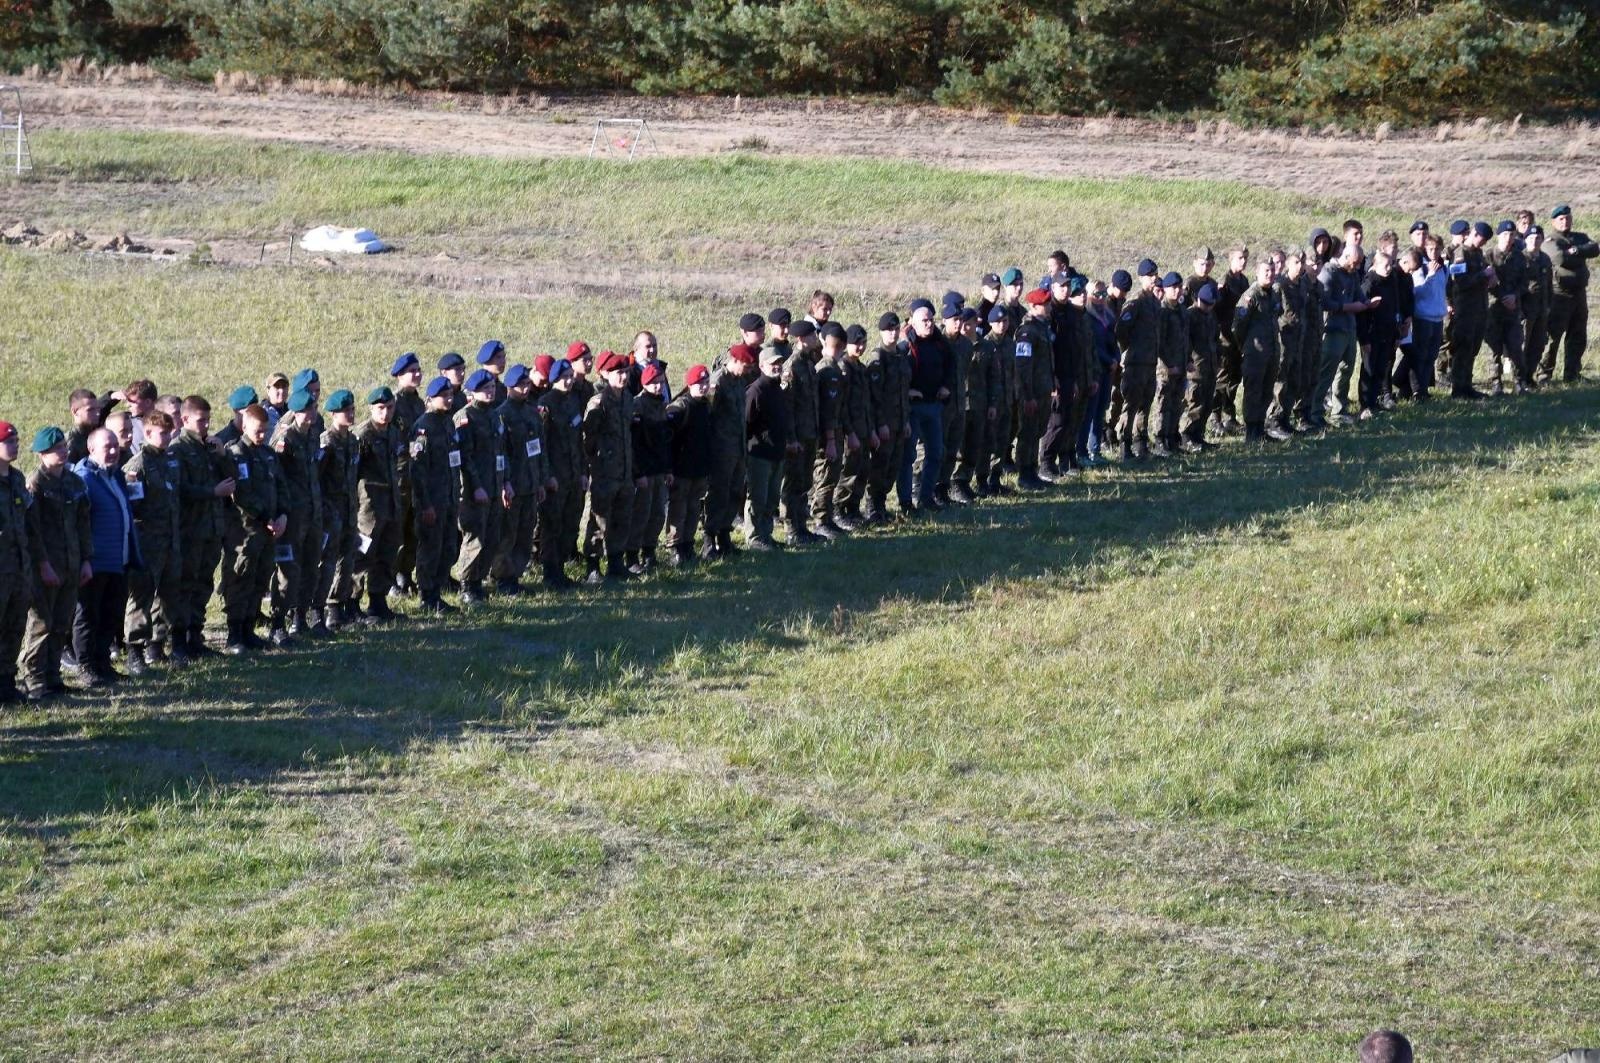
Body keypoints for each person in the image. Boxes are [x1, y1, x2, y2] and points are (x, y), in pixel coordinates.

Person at [20, 426, 92, 701]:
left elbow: (83, 524)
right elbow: (32, 530)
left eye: (62, 446)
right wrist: (42, 564)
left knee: (62, 622)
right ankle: (35, 679)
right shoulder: (35, 484)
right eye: (54, 449)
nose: (61, 452)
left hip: (72, 562)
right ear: (41, 454)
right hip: (47, 565)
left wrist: (86, 560)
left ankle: (53, 677)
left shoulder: (74, 483)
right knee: (41, 624)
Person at [73, 427, 142, 683]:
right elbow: (80, 523)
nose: (113, 451)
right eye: (107, 447)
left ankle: (103, 664)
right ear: (91, 450)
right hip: (95, 562)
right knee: (89, 616)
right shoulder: (84, 478)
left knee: (111, 614)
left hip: (118, 559)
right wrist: (85, 559)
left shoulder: (116, 476)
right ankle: (86, 667)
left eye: (115, 446)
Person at [169, 396, 233, 657]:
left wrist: (222, 455)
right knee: (185, 586)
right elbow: (181, 489)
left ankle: (195, 636)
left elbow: (232, 478)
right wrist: (212, 492)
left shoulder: (208, 447)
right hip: (191, 530)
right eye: (200, 420)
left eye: (208, 420)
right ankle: (178, 641)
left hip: (211, 529)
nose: (206, 425)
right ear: (185, 420)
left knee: (203, 584)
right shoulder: (178, 449)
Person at [221, 405, 286, 654]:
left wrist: (282, 515)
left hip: (268, 531)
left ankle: (249, 629)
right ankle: (234, 634)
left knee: (260, 578)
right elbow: (240, 494)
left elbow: (281, 486)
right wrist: (266, 516)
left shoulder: (268, 454)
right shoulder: (236, 453)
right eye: (258, 431)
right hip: (244, 531)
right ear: (245, 426)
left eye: (265, 431)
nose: (262, 436)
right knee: (240, 579)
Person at [121, 410, 182, 673]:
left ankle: (157, 645)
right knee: (141, 598)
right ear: (146, 433)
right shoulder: (137, 466)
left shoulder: (169, 461)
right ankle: (134, 649)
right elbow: (133, 509)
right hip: (147, 543)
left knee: (168, 596)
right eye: (162, 433)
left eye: (170, 432)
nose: (168, 437)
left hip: (171, 541)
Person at [267, 388, 322, 644]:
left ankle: (300, 617)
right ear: (296, 413)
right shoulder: (284, 439)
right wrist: (281, 512)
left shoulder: (312, 436)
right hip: (291, 515)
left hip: (312, 512)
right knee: (288, 571)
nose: (311, 415)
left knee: (311, 566)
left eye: (313, 409)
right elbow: (276, 478)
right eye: (307, 411)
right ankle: (278, 622)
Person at [491, 364, 550, 595]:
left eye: (527, 384)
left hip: (530, 483)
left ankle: (515, 574)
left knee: (525, 533)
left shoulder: (531, 413)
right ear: (509, 387)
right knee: (508, 534)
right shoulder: (502, 415)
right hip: (513, 485)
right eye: (519, 385)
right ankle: (503, 578)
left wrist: (541, 481)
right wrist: (504, 483)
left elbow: (540, 450)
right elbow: (500, 453)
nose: (524, 389)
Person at [455, 368, 512, 605]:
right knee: (474, 538)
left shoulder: (494, 416)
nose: (489, 392)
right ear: (473, 392)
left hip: (494, 486)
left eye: (491, 388)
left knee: (491, 537)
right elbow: (465, 458)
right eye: (484, 389)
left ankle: (478, 581)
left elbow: (502, 452)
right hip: (474, 490)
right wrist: (475, 487)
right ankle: (467, 584)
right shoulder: (465, 417)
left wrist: (506, 482)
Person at [582, 350, 638, 583]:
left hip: (624, 469)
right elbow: (588, 439)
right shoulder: (599, 401)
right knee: (600, 519)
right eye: (618, 373)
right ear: (606, 374)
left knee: (622, 517)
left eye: (625, 372)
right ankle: (593, 566)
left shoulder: (627, 398)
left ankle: (616, 561)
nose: (623, 377)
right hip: (604, 470)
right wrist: (594, 464)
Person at [410, 377, 463, 614]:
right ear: (431, 398)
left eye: (451, 395)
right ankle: (427, 595)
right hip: (432, 500)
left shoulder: (448, 423)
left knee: (448, 546)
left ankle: (438, 592)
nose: (450, 399)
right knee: (430, 548)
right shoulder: (423, 428)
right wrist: (425, 505)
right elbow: (417, 471)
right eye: (445, 396)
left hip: (449, 497)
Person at [354, 386, 405, 622]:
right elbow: (352, 474)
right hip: (369, 509)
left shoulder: (393, 433)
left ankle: (378, 601)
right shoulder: (363, 436)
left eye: (389, 408)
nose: (385, 413)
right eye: (380, 408)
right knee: (361, 556)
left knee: (387, 554)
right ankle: (350, 604)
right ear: (372, 409)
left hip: (391, 505)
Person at [900, 298, 956, 511]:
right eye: (924, 320)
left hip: (934, 405)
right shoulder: (905, 346)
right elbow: (897, 376)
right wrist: (907, 392)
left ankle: (926, 497)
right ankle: (906, 502)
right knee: (909, 456)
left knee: (935, 452)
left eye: (931, 320)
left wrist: (946, 386)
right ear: (913, 322)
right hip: (913, 408)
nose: (929, 324)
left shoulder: (940, 343)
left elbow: (951, 366)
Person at [314, 389, 362, 631]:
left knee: (348, 560)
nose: (351, 414)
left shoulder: (352, 441)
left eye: (352, 409)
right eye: (346, 411)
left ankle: (339, 606)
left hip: (349, 511)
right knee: (328, 562)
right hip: (331, 512)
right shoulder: (327, 442)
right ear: (333, 414)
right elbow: (317, 480)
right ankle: (324, 609)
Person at [1311, 242, 1374, 427]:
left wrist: (1368, 303)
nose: (1356, 267)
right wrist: (1347, 307)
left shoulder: (1352, 274)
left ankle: (1339, 411)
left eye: (1358, 263)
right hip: (1333, 330)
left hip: (1349, 329)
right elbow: (1324, 302)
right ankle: (1315, 413)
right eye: (1354, 263)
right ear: (1345, 257)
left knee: (1346, 370)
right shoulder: (1329, 273)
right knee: (1327, 373)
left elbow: (1358, 295)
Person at [704, 338, 755, 558]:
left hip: (737, 447)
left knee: (734, 492)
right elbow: (708, 416)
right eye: (746, 365)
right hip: (720, 449)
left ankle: (724, 536)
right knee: (718, 494)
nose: (748, 370)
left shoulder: (737, 381)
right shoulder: (718, 382)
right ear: (734, 360)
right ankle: (709, 539)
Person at [536, 359, 583, 588]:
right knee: (552, 525)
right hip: (555, 476)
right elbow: (542, 445)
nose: (569, 380)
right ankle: (550, 572)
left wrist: (582, 472)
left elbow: (578, 441)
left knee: (569, 523)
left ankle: (561, 569)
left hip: (573, 474)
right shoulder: (546, 404)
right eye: (564, 376)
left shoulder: (573, 401)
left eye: (571, 376)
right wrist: (547, 476)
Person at [743, 346, 793, 551]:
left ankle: (766, 534)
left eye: (779, 363)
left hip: (777, 453)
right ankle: (754, 538)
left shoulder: (778, 389)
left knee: (771, 498)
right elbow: (745, 424)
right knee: (757, 498)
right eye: (773, 363)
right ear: (762, 366)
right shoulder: (755, 391)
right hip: (759, 455)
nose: (777, 367)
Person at [1542, 204, 1598, 383]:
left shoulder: (1579, 237)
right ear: (1553, 222)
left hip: (1579, 294)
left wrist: (1577, 251)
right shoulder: (1550, 240)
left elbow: (1595, 248)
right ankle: (1544, 374)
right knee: (1553, 336)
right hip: (1560, 295)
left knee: (1578, 334)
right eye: (1561, 219)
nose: (1565, 221)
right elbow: (1559, 258)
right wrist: (1579, 255)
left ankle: (1572, 373)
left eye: (1568, 218)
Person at [1234, 256, 1288, 442]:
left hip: (1271, 351)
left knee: (1266, 390)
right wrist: (1247, 347)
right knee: (1253, 391)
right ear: (1257, 272)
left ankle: (1260, 427)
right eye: (1266, 271)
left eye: (1272, 271)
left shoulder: (1273, 293)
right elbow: (1238, 326)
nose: (1270, 274)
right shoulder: (1251, 296)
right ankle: (1251, 431)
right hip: (1255, 353)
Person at [0, 422, 35, 703]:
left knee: (14, 627)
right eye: (8, 442)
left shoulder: (16, 478)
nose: (15, 445)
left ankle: (6, 683)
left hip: (19, 568)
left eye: (16, 441)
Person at [665, 364, 712, 566]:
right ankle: (674, 548)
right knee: (678, 508)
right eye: (699, 383)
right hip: (681, 469)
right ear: (690, 384)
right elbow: (668, 439)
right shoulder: (680, 407)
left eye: (706, 382)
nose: (703, 387)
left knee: (694, 508)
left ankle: (688, 544)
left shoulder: (706, 405)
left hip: (699, 468)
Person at [864, 313, 910, 521]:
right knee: (880, 466)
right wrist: (880, 424)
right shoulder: (877, 358)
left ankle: (881, 504)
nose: (892, 333)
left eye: (895, 329)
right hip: (884, 424)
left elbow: (902, 392)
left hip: (899, 421)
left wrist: (906, 420)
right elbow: (874, 397)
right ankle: (873, 506)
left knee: (893, 466)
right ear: (881, 332)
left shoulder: (900, 357)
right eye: (888, 330)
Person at [1115, 259, 1162, 460]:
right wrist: (1130, 350)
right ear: (1141, 277)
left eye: (1155, 275)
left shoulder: (1153, 302)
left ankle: (1140, 443)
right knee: (1131, 405)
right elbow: (1121, 331)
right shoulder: (1135, 302)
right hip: (1135, 363)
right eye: (1150, 276)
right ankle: (1124, 445)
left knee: (1145, 404)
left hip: (1150, 362)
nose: (1154, 279)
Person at [627, 362, 673, 570]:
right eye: (653, 383)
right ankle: (632, 556)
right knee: (640, 515)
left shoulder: (661, 404)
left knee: (657, 514)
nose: (658, 386)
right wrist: (638, 472)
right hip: (644, 470)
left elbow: (665, 441)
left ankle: (649, 551)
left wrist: (668, 469)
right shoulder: (637, 406)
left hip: (659, 469)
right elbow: (634, 444)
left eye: (661, 382)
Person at [780, 319, 822, 543]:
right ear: (801, 339)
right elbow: (788, 408)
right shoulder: (792, 366)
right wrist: (791, 438)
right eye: (812, 336)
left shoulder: (808, 363)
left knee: (805, 482)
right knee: (793, 482)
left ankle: (801, 527)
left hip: (809, 433)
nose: (816, 339)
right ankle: (791, 530)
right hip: (797, 436)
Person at [389, 351, 426, 596]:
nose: (417, 374)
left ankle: (405, 574)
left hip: (418, 476)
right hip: (399, 476)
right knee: (396, 530)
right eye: (411, 371)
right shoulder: (393, 404)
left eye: (418, 370)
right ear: (400, 376)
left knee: (414, 529)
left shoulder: (419, 403)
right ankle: (389, 578)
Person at [810, 322, 851, 536]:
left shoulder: (835, 368)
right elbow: (827, 410)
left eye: (841, 346)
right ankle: (820, 521)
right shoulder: (826, 370)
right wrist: (831, 441)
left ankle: (827, 517)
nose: (838, 350)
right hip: (827, 436)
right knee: (825, 478)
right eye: (834, 346)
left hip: (835, 431)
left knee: (833, 476)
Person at [1445, 220, 1493, 399]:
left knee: (1473, 348)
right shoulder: (1460, 254)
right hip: (1465, 309)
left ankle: (1467, 385)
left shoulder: (1478, 253)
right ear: (1474, 234)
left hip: (1479, 308)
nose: (1484, 243)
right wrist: (1483, 275)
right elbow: (1460, 282)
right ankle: (1458, 388)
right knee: (1463, 347)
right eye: (1482, 239)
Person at [1013, 287, 1056, 485]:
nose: (1048, 307)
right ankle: (1024, 473)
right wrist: (1027, 396)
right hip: (1032, 392)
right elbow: (1023, 367)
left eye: (1048, 303)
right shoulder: (1027, 332)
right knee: (1027, 433)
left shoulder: (1042, 328)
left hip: (1043, 389)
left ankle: (1032, 471)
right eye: (1044, 304)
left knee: (1037, 431)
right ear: (1032, 306)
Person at [834, 323, 874, 522]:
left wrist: (872, 430)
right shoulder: (843, 368)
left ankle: (853, 509)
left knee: (862, 470)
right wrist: (850, 433)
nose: (860, 347)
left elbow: (867, 404)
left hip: (864, 428)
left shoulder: (861, 368)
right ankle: (839, 511)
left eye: (863, 342)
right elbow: (843, 405)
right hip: (850, 431)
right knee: (847, 472)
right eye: (855, 343)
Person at [1484, 220, 1530, 394]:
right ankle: (1496, 383)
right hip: (1493, 308)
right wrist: (1501, 294)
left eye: (1511, 235)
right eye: (1505, 235)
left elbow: (1525, 282)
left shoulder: (1519, 257)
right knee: (1494, 349)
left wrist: (1515, 296)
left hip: (1512, 309)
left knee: (1515, 346)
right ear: (1498, 236)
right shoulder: (1489, 256)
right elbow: (1485, 281)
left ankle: (1520, 381)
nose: (1508, 238)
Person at [1211, 244, 1250, 435]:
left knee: (1235, 379)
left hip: (1238, 339)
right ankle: (1215, 418)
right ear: (1231, 260)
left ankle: (1229, 417)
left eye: (1245, 258)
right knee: (1222, 379)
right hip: (1224, 338)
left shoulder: (1244, 281)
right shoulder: (1224, 282)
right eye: (1239, 258)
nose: (1243, 262)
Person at [1181, 283, 1220, 450]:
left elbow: (1215, 339)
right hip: (1194, 368)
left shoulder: (1210, 316)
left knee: (1206, 404)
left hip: (1209, 366)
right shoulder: (1189, 316)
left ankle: (1199, 435)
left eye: (1211, 304)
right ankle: (1186, 436)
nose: (1209, 307)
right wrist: (1187, 361)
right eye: (1206, 303)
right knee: (1193, 403)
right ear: (1198, 300)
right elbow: (1184, 341)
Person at [1153, 271, 1188, 457]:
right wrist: (1167, 365)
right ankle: (1160, 440)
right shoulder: (1163, 311)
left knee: (1177, 403)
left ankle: (1172, 438)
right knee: (1163, 404)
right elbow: (1160, 342)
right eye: (1173, 287)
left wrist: (1187, 360)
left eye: (1179, 287)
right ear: (1165, 289)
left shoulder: (1181, 309)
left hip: (1181, 365)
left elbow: (1185, 338)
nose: (1177, 291)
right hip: (1166, 368)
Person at [1523, 225, 1554, 385]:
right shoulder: (1520, 258)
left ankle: (1529, 376)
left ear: (1542, 240)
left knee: (1538, 344)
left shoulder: (1545, 259)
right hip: (1525, 310)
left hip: (1541, 309)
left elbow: (1549, 284)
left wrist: (1549, 305)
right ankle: (1519, 378)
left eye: (1538, 238)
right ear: (1525, 239)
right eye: (1531, 238)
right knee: (1523, 345)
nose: (1534, 241)